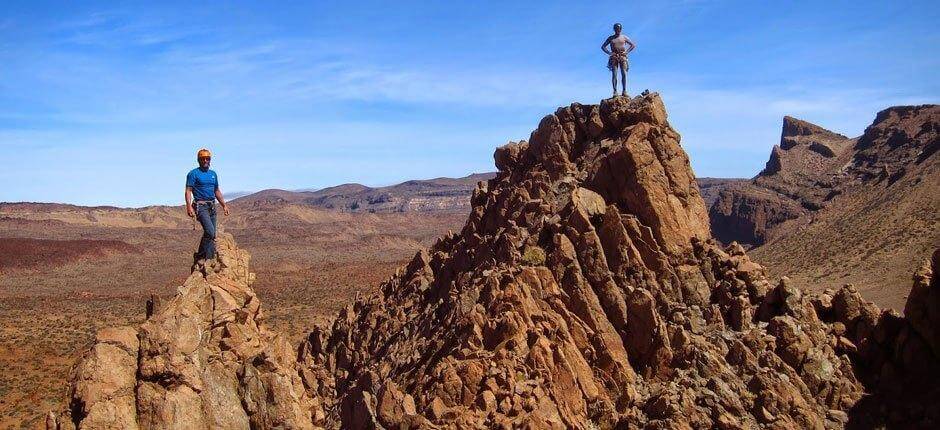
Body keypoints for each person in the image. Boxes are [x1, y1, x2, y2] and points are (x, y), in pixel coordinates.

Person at [185, 148, 229, 261]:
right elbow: (188, 190)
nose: (205, 160)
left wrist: (224, 205)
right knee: (209, 231)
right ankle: (201, 255)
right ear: (198, 160)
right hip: (201, 206)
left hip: (212, 206)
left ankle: (209, 259)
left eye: (207, 158)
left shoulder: (213, 174)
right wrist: (189, 206)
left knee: (212, 235)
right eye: (203, 159)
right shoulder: (193, 174)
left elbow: (217, 191)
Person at [601, 23, 636, 97]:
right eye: (616, 28)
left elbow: (632, 45)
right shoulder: (611, 38)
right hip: (614, 57)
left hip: (622, 56)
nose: (618, 30)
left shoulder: (624, 37)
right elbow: (603, 46)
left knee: (624, 73)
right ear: (614, 29)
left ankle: (624, 91)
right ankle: (615, 91)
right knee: (614, 74)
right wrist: (610, 53)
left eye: (619, 28)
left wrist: (626, 52)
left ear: (621, 29)